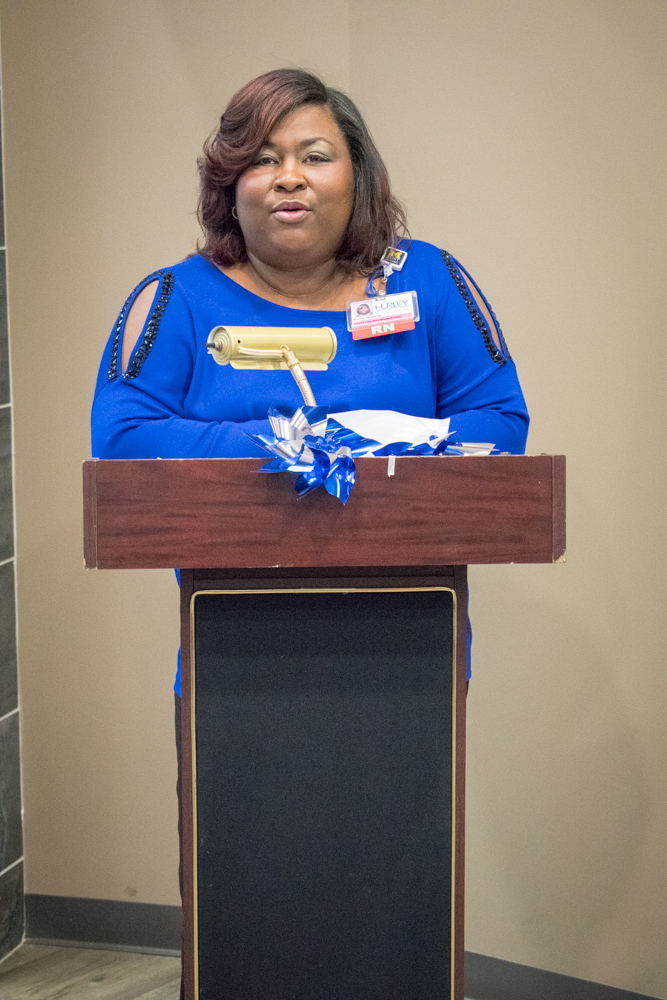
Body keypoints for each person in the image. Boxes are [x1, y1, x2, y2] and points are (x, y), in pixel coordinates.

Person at [91, 68, 529, 993]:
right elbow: (124, 441)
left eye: (314, 155)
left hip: (409, 653)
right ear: (229, 185)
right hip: (233, 660)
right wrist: (301, 444)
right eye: (261, 159)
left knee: (397, 896)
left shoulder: (429, 282)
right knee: (253, 899)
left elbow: (497, 423)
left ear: (355, 174)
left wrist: (364, 443)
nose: (287, 176)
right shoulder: (175, 300)